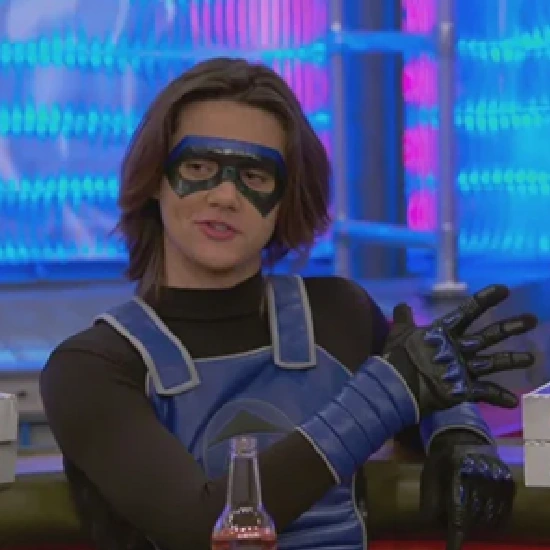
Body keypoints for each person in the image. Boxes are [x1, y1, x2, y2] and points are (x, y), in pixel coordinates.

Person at [40, 58, 537, 550]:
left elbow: (424, 392)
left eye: (255, 176)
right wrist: (387, 393)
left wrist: (458, 432)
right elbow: (203, 527)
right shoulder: (92, 367)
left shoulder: (337, 313)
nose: (225, 195)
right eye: (199, 167)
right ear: (156, 180)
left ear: (285, 199)